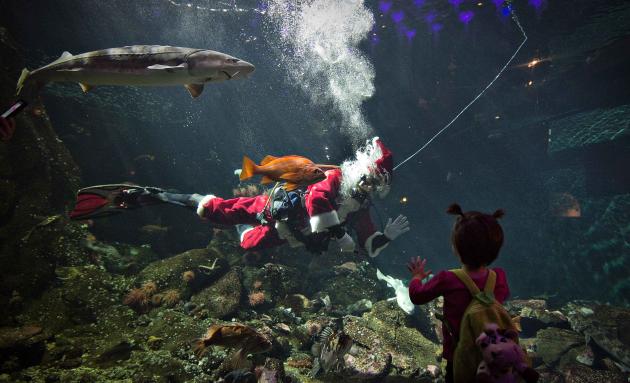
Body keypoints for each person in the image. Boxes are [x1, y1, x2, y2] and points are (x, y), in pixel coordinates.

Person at [71, 137, 410, 257]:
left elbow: (368, 243)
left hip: (286, 236)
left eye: (374, 186)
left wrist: (385, 239)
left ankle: (237, 227)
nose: (367, 188)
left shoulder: (361, 207)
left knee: (246, 245)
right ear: (360, 170)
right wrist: (337, 234)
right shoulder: (335, 176)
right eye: (368, 180)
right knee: (214, 211)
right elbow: (315, 201)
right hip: (270, 210)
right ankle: (154, 194)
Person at [407, 203, 509, 383]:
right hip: (491, 354)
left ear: (456, 248)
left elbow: (417, 296)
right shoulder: (498, 277)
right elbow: (501, 298)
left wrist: (416, 277)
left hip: (458, 356)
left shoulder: (448, 278)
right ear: (495, 250)